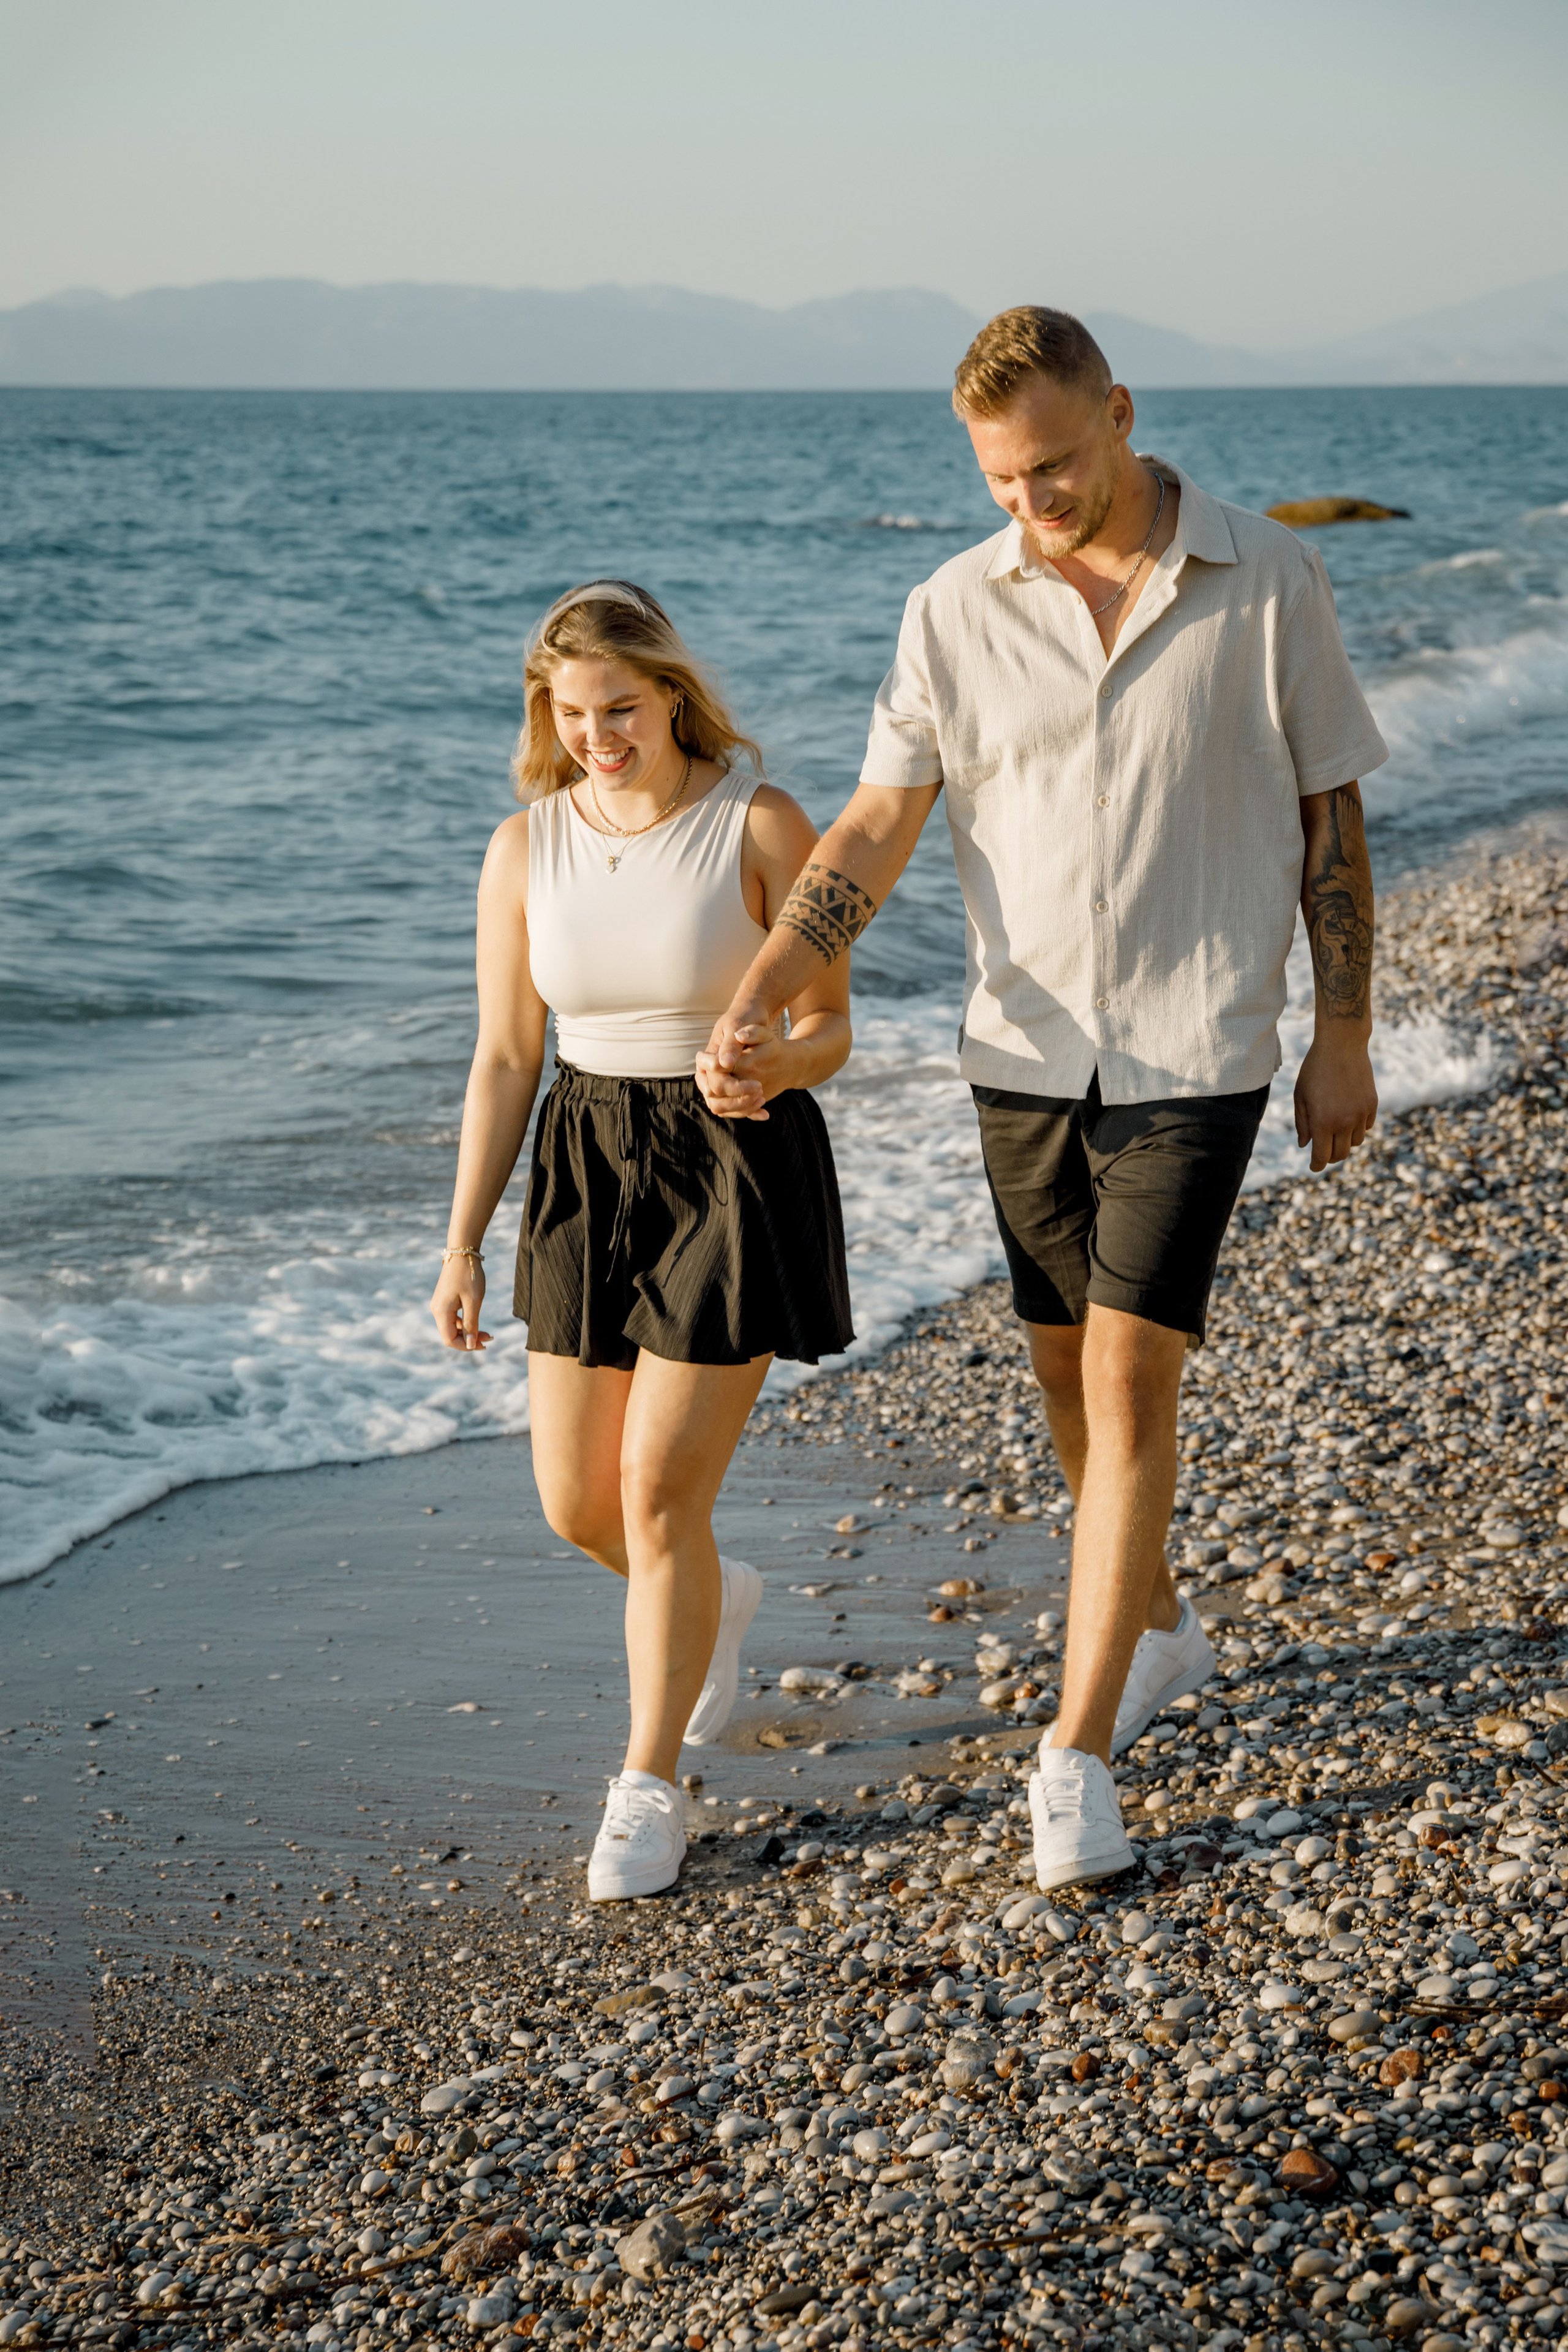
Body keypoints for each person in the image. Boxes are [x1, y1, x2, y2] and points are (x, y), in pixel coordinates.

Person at [701, 307, 1385, 1893]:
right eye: (1003, 480)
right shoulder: (952, 608)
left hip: (1199, 1048)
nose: (1033, 501)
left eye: (1056, 465)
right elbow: (878, 821)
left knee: (1137, 1385)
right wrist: (762, 989)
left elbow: (1329, 817)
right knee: (1067, 1390)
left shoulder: (1269, 579)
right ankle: (1152, 1625)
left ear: (1122, 413)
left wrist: (1343, 1028)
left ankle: (1075, 1754)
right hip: (1020, 1054)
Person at [431, 580, 853, 1902]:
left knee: (662, 1492)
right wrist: (460, 1243)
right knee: (578, 1503)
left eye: (619, 706)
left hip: (728, 1159)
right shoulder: (523, 846)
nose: (598, 735)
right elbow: (506, 1056)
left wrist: (774, 1071)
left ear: (671, 693)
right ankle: (712, 1602)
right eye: (571, 714)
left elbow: (831, 1027)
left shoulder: (761, 823)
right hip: (581, 1163)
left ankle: (647, 1785)